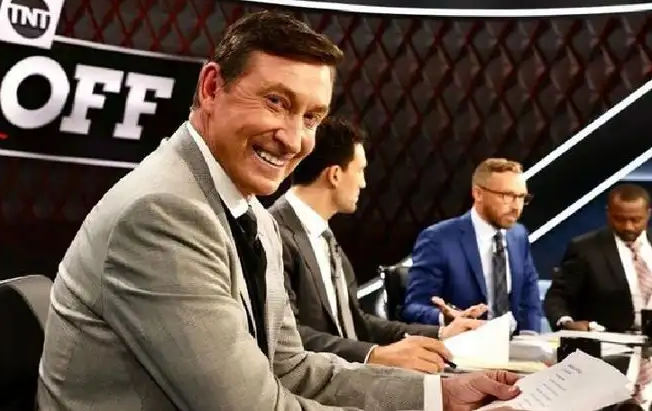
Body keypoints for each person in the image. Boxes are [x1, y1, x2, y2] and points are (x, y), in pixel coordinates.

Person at [36, 11, 522, 411]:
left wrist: (438, 397)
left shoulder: (253, 215)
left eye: (311, 117)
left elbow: (291, 367)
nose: (293, 139)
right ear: (211, 87)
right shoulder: (163, 213)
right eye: (276, 102)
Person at [269, 116, 483, 374]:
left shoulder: (323, 236)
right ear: (334, 175)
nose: (363, 183)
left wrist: (440, 333)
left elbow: (356, 323)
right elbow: (286, 336)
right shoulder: (273, 233)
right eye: (360, 171)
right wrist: (375, 355)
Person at [402, 158, 543, 333]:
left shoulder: (519, 235)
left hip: (512, 344)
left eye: (521, 197)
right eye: (506, 196)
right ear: (478, 194)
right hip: (462, 343)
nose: (516, 207)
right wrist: (446, 318)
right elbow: (413, 307)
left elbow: (529, 301)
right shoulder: (438, 239)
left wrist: (531, 339)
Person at [545, 182, 652, 333]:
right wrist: (566, 323)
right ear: (608, 213)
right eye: (619, 219)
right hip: (606, 340)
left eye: (636, 220)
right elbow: (557, 298)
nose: (628, 226)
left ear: (648, 214)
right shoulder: (584, 248)